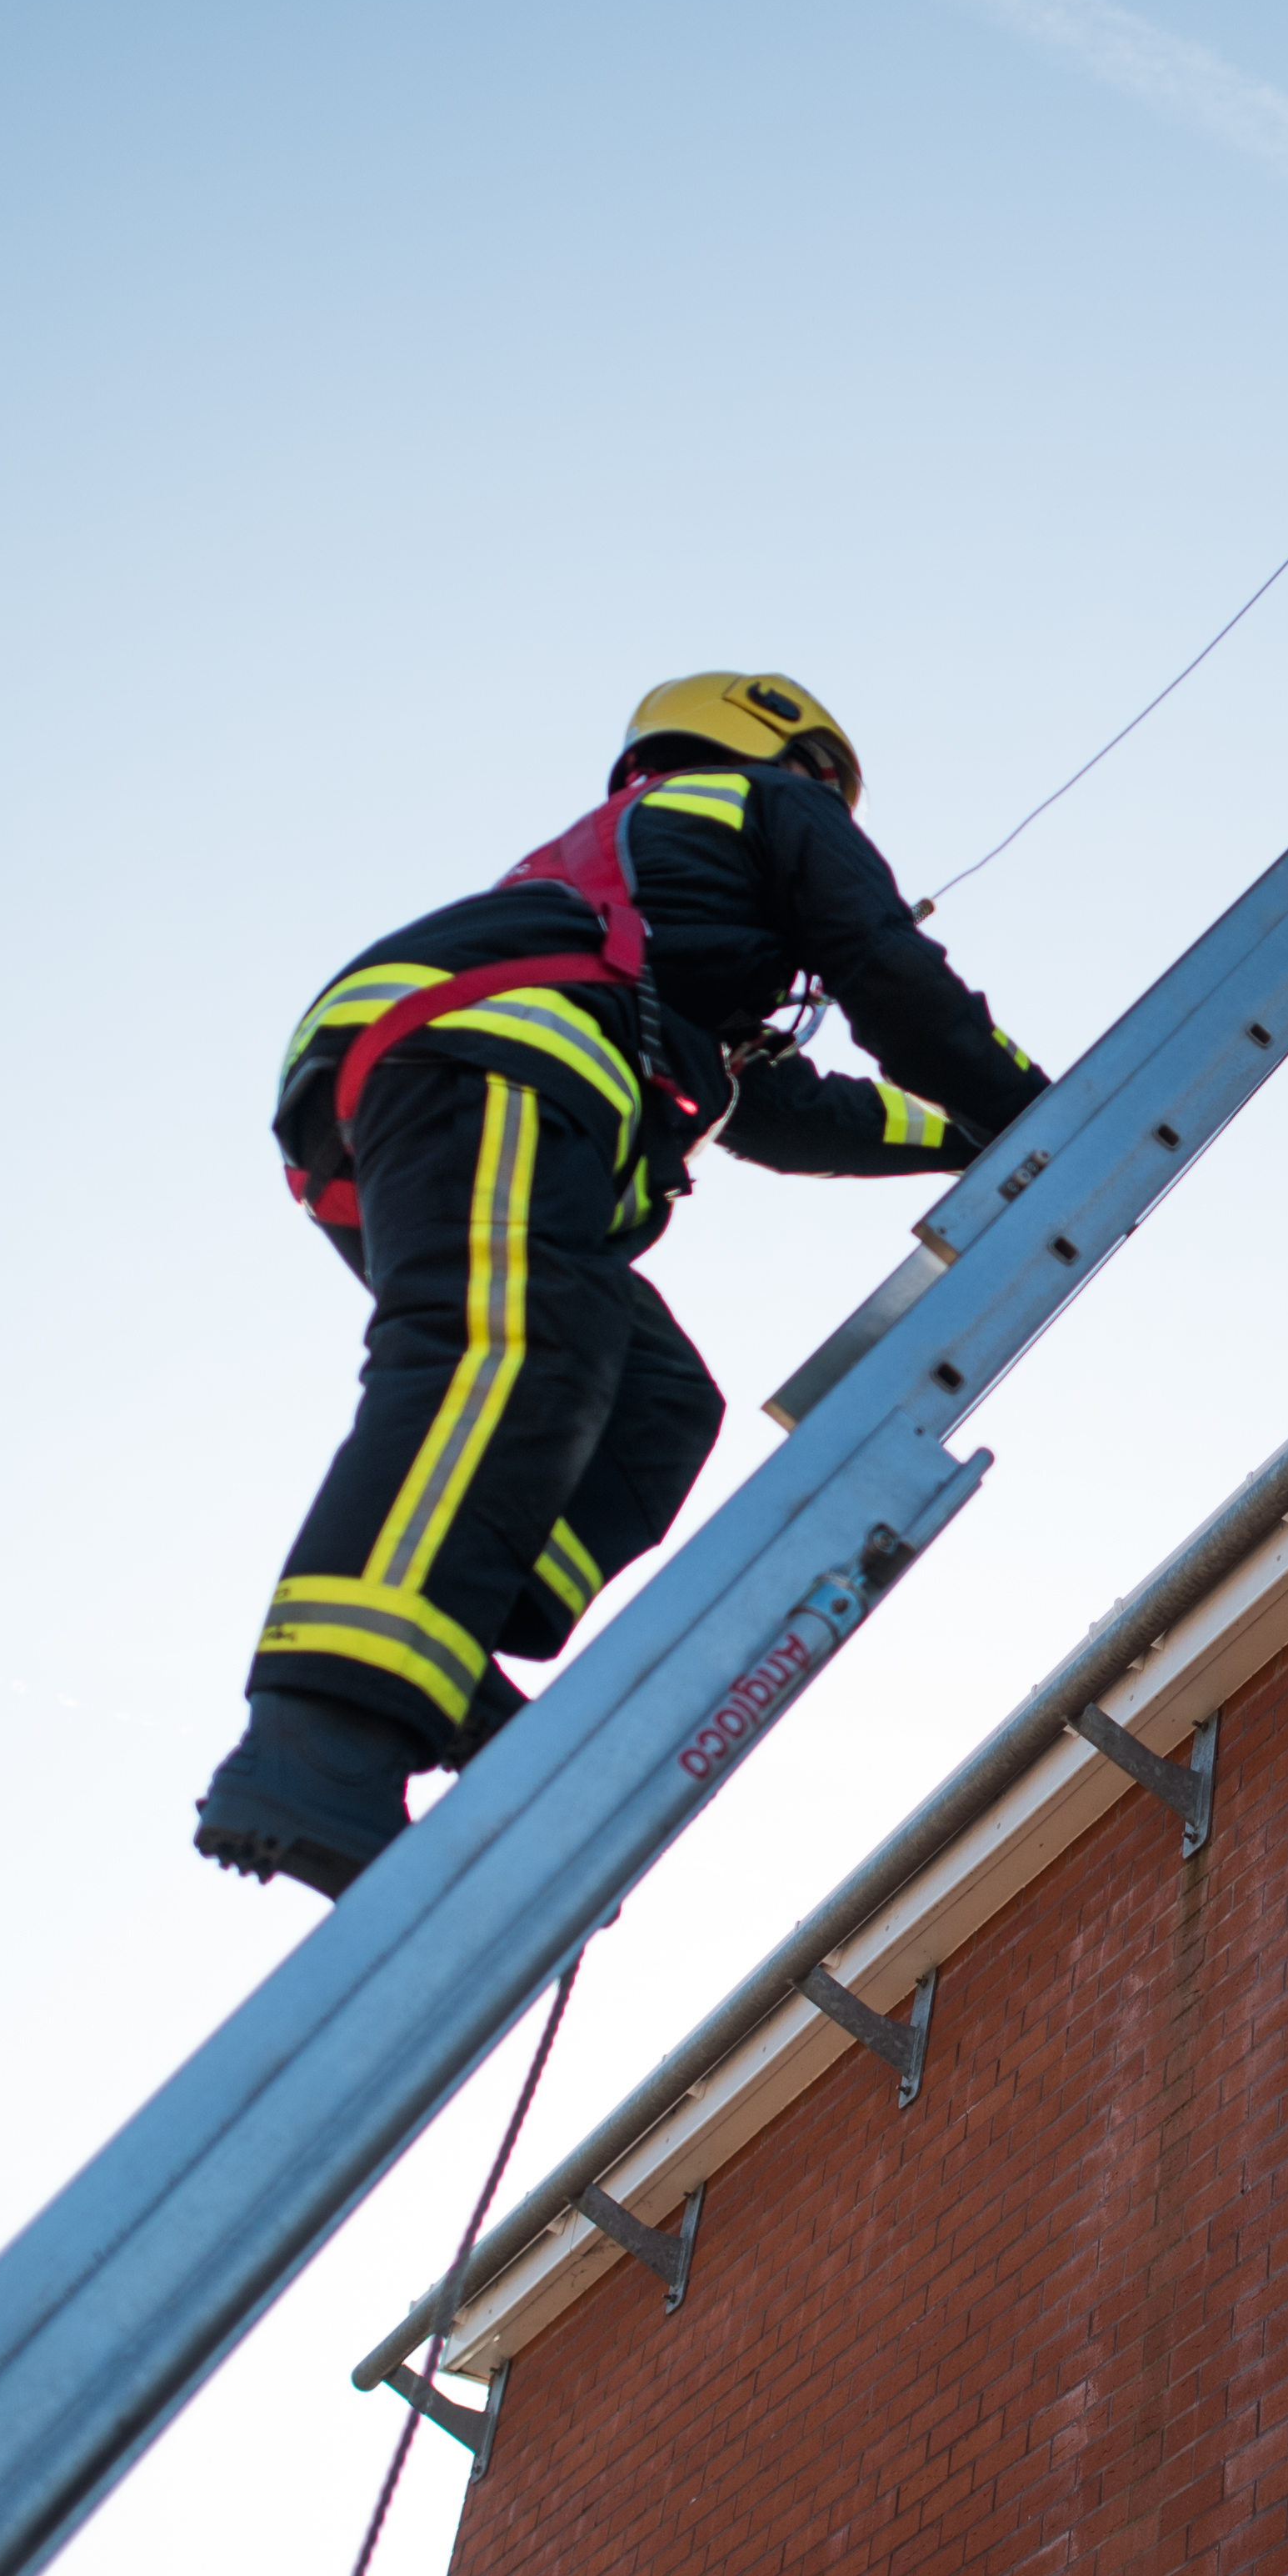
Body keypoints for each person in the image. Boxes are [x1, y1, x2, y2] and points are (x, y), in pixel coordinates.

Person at [190, 671, 1047, 1896]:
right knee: (508, 1347)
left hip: (448, 1080)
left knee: (648, 1399)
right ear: (785, 752)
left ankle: (454, 1643)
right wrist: (1038, 1108)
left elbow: (784, 1115)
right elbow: (891, 976)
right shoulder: (757, 804)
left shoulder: (655, 894)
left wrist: (973, 1139)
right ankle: (317, 1742)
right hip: (488, 1053)